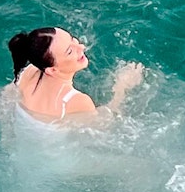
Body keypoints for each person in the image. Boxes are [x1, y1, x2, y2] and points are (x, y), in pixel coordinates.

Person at [8, 27, 142, 122]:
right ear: (52, 70)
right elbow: (105, 124)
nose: (81, 47)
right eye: (70, 51)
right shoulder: (77, 101)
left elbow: (6, 97)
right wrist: (123, 87)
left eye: (72, 39)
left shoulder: (28, 72)